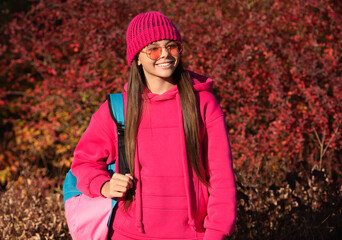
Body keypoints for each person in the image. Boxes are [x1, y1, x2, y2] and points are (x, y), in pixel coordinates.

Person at [70, 11, 236, 240]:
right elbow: (84, 161)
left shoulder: (203, 103)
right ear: (137, 57)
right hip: (128, 235)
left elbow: (221, 180)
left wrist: (215, 234)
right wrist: (104, 186)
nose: (165, 54)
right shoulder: (119, 109)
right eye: (154, 49)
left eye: (172, 46)